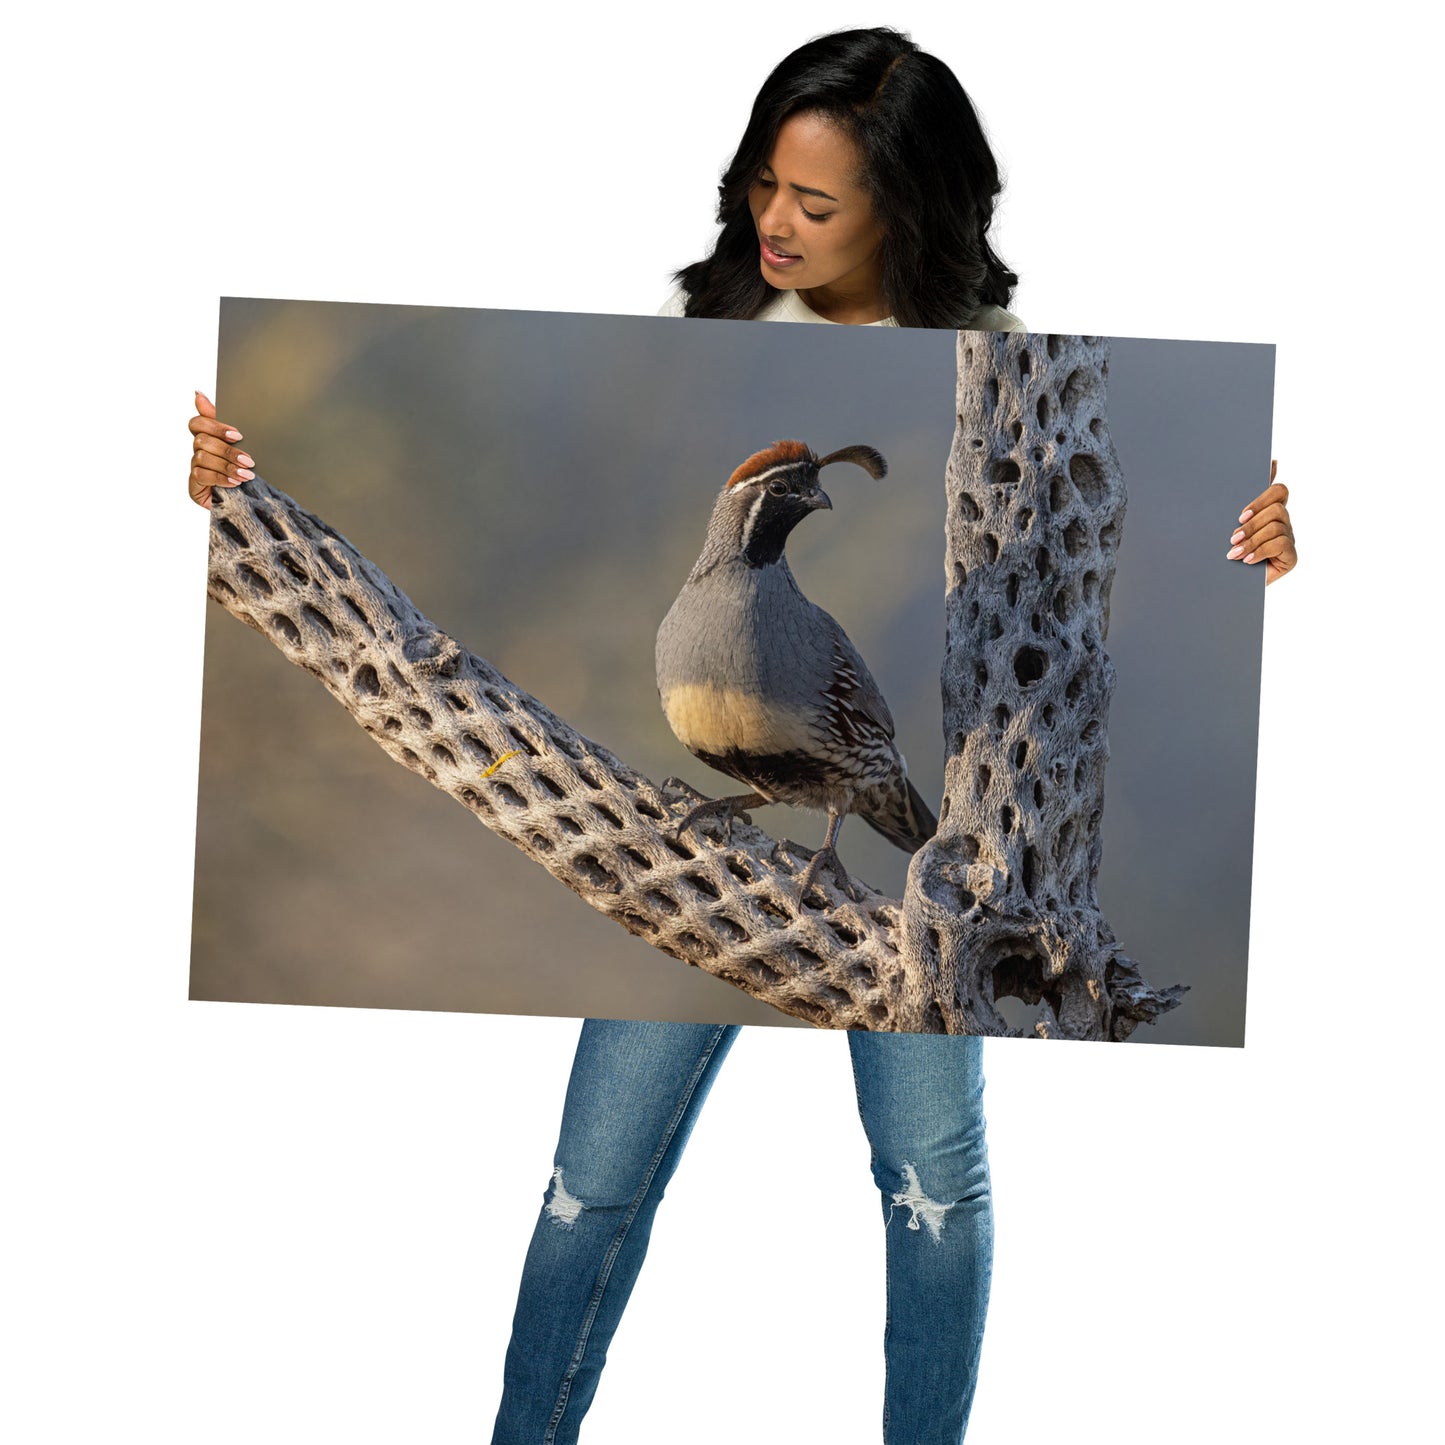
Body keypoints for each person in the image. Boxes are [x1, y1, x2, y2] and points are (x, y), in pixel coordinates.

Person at [186, 27, 1297, 1444]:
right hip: (710, 834)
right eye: (765, 184)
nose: (775, 221)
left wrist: (1276, 547)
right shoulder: (674, 317)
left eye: (815, 202)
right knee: (592, 1177)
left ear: (911, 202)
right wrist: (223, 480)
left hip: (898, 889)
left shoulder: (1031, 362)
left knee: (931, 1179)